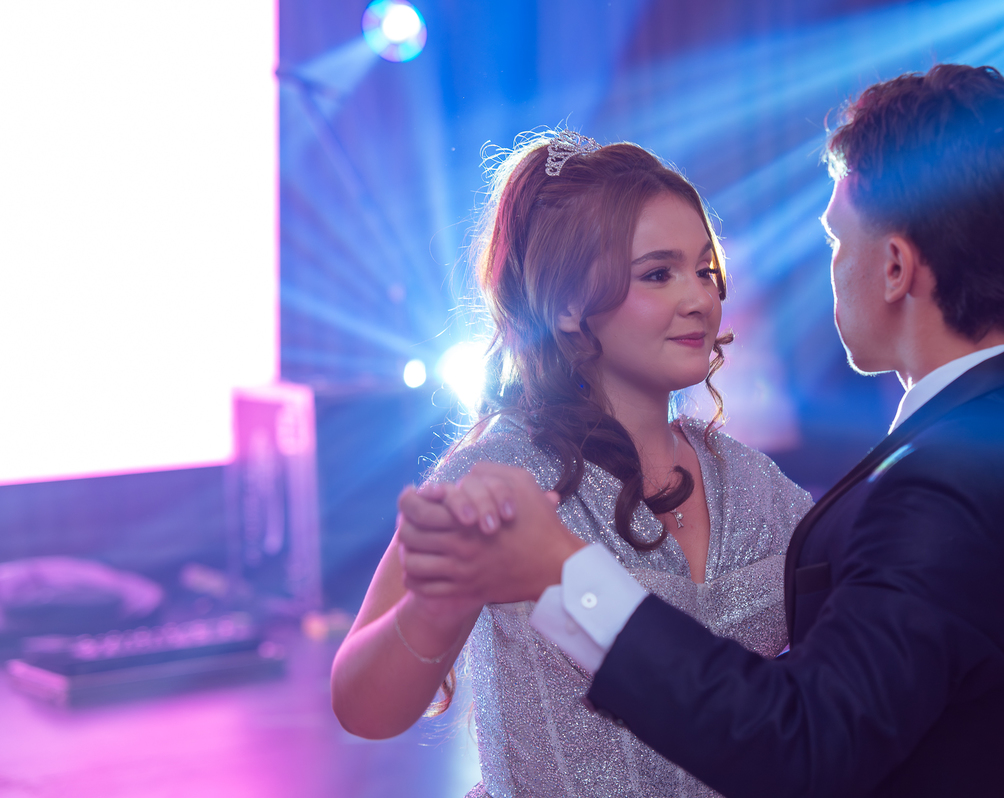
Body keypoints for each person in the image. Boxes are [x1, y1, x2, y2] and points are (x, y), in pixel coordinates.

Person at [399, 65, 1004, 797]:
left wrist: (566, 578)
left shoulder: (944, 484)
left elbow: (804, 744)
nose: (700, 298)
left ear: (893, 267)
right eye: (660, 274)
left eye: (835, 241)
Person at [330, 130, 813, 797]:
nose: (699, 298)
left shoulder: (756, 485)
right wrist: (439, 599)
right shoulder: (500, 471)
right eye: (657, 274)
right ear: (563, 307)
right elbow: (362, 706)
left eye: (704, 269)